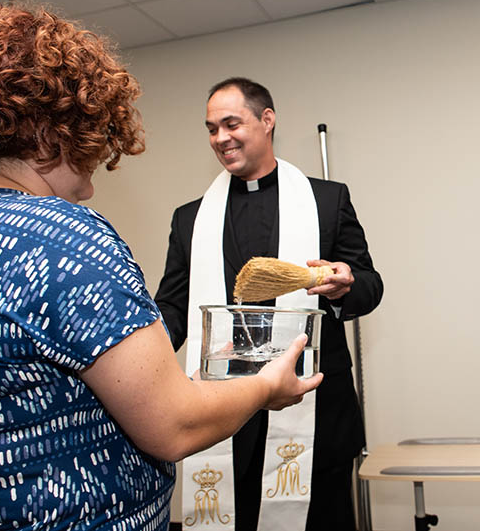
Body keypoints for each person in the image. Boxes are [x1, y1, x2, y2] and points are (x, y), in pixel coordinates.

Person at [0, 5, 321, 531]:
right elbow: (173, 423)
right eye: (90, 143)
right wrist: (265, 387)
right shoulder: (66, 237)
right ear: (54, 133)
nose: (94, 178)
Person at [155, 77, 383, 531]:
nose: (220, 138)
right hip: (226, 411)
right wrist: (138, 350)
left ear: (267, 120)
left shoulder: (326, 201)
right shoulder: (190, 219)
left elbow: (369, 286)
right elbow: (174, 309)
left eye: (231, 123)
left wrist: (344, 285)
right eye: (211, 128)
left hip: (314, 411)